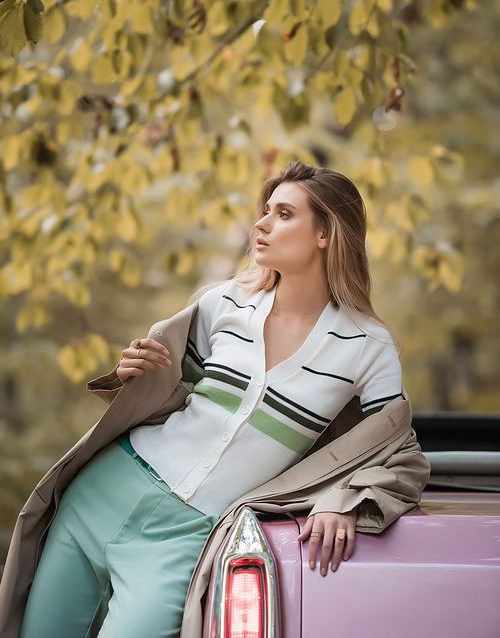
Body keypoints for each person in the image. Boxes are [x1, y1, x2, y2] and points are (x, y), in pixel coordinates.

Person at [0, 161, 430, 638]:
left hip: (185, 538)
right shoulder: (224, 303)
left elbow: (399, 454)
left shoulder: (367, 347)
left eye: (284, 214)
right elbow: (170, 395)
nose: (261, 224)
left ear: (326, 232)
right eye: (265, 211)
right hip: (104, 490)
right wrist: (135, 376)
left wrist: (342, 501)